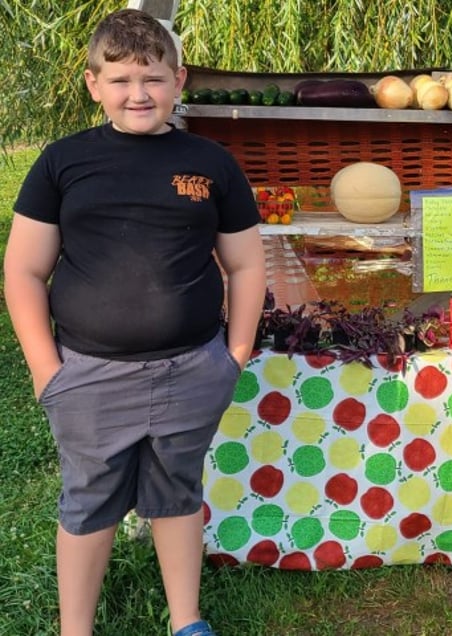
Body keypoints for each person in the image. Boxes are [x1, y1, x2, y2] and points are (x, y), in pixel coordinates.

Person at [3, 8, 266, 636]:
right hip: (89, 374)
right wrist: (47, 370)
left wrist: (233, 355)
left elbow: (247, 265)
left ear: (179, 80)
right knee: (89, 500)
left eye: (151, 78)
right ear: (93, 84)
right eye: (119, 80)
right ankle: (76, 628)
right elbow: (22, 271)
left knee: (178, 490)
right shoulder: (62, 163)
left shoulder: (211, 162)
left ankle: (186, 620)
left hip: (191, 368)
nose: (137, 94)